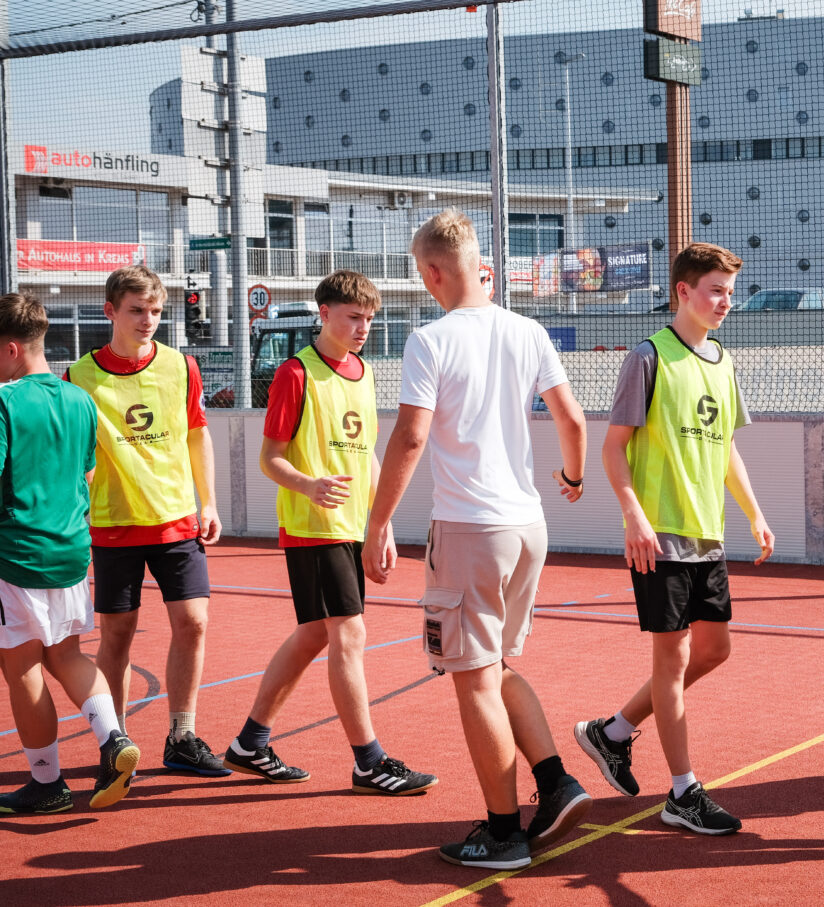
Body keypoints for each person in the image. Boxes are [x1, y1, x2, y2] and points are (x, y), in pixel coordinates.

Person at [363, 207, 592, 870]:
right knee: (498, 666)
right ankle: (554, 784)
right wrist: (572, 477)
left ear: (433, 272)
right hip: (527, 525)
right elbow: (571, 419)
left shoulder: (430, 340)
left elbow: (409, 436)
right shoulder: (528, 330)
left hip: (470, 527)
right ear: (479, 266)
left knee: (472, 679)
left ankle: (502, 830)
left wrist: (379, 523)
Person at [574, 242, 774, 837]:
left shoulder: (722, 360)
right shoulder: (646, 357)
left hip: (706, 533)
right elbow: (612, 448)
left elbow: (727, 449)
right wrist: (634, 516)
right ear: (683, 292)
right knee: (673, 656)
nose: (725, 303)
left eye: (731, 293)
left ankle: (611, 733)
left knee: (715, 650)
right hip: (658, 535)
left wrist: (755, 513)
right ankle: (683, 791)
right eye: (715, 290)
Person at [221, 270, 437, 797]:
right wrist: (308, 484)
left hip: (353, 525)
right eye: (353, 317)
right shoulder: (296, 375)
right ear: (324, 314)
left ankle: (250, 742)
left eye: (369, 319)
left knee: (314, 633)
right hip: (313, 525)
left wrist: (379, 523)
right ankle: (369, 761)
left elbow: (367, 458)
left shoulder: (363, 372)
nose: (363, 328)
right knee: (349, 633)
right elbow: (270, 458)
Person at [66, 265, 227, 777]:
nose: (148, 320)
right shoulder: (78, 375)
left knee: (194, 623)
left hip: (176, 518)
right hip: (114, 524)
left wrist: (209, 503)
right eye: (137, 310)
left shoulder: (182, 366)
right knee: (118, 635)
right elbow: (77, 455)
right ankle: (115, 743)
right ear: (110, 311)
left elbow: (198, 434)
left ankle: (182, 735)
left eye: (156, 311)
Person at [0, 293, 140, 814]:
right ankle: (112, 737)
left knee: (23, 670)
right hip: (71, 551)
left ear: (12, 349)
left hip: (17, 554)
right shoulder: (79, 399)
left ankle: (47, 783)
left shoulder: (4, 403)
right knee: (67, 654)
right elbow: (85, 473)